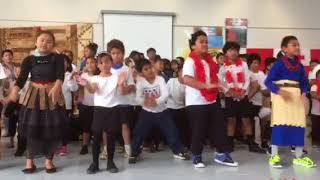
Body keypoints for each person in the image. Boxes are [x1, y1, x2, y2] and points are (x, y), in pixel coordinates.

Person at [5, 31, 65, 174]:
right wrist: (14, 91)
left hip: (52, 96)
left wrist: (57, 86)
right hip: (33, 97)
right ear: (36, 42)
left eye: (49, 41)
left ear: (53, 44)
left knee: (50, 128)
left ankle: (48, 161)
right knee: (32, 129)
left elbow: (60, 75)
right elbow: (21, 79)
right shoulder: (29, 60)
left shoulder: (57, 58)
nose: (45, 43)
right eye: (42, 40)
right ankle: (29, 161)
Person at [183, 30, 238, 168]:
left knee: (219, 128)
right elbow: (187, 79)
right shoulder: (190, 61)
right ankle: (196, 156)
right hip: (196, 102)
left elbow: (217, 80)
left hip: (212, 100)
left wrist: (228, 90)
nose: (205, 44)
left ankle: (221, 154)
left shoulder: (210, 62)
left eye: (206, 41)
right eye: (201, 41)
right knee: (198, 130)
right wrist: (206, 86)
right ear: (193, 46)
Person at [265, 35, 316, 168]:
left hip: (296, 97)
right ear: (284, 48)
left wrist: (304, 94)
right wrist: (279, 91)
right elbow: (268, 81)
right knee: (279, 125)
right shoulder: (278, 64)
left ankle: (298, 157)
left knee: (299, 125)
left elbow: (304, 83)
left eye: (298, 44)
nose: (297, 47)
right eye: (294, 45)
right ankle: (274, 156)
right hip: (281, 97)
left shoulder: (299, 66)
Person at [129, 59, 189, 163]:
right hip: (146, 112)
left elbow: (165, 94)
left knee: (172, 131)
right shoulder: (141, 82)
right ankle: (134, 153)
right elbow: (138, 98)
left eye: (150, 68)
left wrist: (156, 102)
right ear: (141, 73)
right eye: (146, 69)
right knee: (139, 132)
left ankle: (178, 151)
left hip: (162, 111)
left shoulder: (160, 79)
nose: (149, 70)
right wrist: (145, 103)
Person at [79, 53, 122, 174]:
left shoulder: (116, 77)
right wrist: (86, 84)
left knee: (111, 137)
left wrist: (123, 82)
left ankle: (110, 162)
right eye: (101, 62)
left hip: (113, 109)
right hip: (99, 109)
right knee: (96, 136)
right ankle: (95, 163)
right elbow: (93, 89)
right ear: (98, 65)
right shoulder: (95, 78)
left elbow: (121, 90)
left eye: (107, 62)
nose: (104, 65)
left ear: (111, 63)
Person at [218, 42, 265, 153]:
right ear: (225, 53)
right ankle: (229, 142)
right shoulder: (223, 68)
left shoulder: (243, 64)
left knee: (246, 119)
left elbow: (248, 79)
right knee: (231, 120)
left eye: (235, 50)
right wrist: (230, 91)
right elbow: (221, 83)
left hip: (243, 95)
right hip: (230, 96)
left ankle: (250, 142)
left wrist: (243, 91)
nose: (233, 52)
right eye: (230, 50)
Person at [107, 39, 136, 157]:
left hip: (124, 103)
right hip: (111, 103)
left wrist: (124, 89)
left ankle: (128, 148)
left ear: (123, 54)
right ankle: (107, 149)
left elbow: (132, 86)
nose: (116, 56)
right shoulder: (106, 69)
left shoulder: (126, 70)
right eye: (113, 53)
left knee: (125, 126)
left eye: (118, 53)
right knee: (110, 127)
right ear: (109, 54)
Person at [78, 57, 99, 155]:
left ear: (97, 64)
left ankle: (97, 145)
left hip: (98, 105)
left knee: (97, 127)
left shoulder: (99, 76)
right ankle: (85, 145)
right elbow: (80, 89)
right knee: (85, 126)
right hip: (86, 104)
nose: (89, 65)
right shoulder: (83, 75)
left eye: (92, 62)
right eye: (87, 63)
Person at [59, 54, 79, 156]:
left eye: (65, 62)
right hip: (53, 104)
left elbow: (74, 89)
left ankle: (63, 146)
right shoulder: (52, 74)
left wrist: (71, 79)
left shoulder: (69, 75)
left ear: (68, 64)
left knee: (64, 126)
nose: (63, 64)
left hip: (66, 104)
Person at [167, 66, 190, 149]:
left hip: (182, 108)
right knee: (172, 128)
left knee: (183, 128)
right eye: (182, 72)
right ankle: (174, 145)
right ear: (178, 73)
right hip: (171, 108)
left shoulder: (188, 84)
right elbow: (166, 94)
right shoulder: (171, 81)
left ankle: (185, 145)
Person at [310, 69, 320, 149]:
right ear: (317, 77)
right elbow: (313, 95)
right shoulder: (314, 86)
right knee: (316, 128)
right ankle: (315, 143)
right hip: (316, 112)